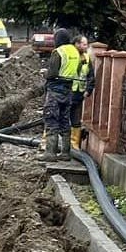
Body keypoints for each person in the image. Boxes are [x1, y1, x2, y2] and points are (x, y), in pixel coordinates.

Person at [44, 28, 81, 159]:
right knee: (65, 121)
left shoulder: (58, 52)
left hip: (55, 90)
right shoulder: (75, 52)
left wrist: (45, 74)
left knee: (51, 120)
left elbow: (52, 73)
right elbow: (77, 70)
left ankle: (50, 153)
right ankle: (65, 153)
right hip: (68, 91)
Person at [68, 34, 94, 152]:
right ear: (77, 44)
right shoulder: (69, 56)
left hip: (79, 93)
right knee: (61, 117)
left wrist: (88, 90)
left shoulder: (86, 58)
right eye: (84, 44)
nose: (86, 47)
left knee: (76, 119)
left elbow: (90, 76)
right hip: (67, 92)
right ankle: (59, 143)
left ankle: (74, 144)